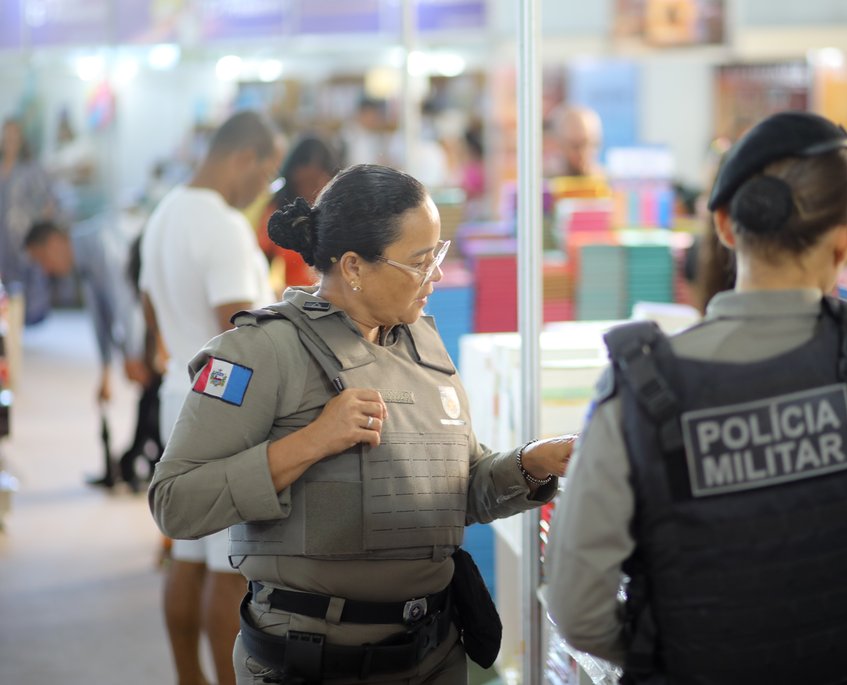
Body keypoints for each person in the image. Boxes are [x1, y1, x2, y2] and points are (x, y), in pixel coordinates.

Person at [545, 111, 847, 685]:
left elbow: (578, 610)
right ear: (846, 237)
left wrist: (683, 654)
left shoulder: (635, 391)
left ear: (725, 227)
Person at [148, 163, 573, 685]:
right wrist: (311, 442)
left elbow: (456, 492)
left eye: (438, 255)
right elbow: (174, 503)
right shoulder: (261, 352)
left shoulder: (424, 347)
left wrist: (531, 463)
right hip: (311, 664)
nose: (437, 275)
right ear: (353, 266)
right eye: (420, 262)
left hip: (434, 652)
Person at [140, 109, 282, 685]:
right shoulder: (222, 224)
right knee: (231, 567)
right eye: (266, 174)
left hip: (180, 391)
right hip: (223, 407)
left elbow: (149, 305)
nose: (263, 189)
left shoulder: (165, 213)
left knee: (186, 555)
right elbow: (238, 332)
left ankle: (188, 677)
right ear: (244, 157)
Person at [23, 217, 147, 486]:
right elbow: (101, 315)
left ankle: (142, 461)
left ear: (55, 243)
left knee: (152, 388)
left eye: (42, 259)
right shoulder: (84, 263)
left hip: (157, 315)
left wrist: (133, 355)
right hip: (143, 321)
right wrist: (105, 371)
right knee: (148, 392)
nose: (46, 270)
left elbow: (125, 301)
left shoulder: (101, 243)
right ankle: (131, 462)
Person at [257, 135, 339, 293]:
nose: (313, 193)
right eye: (307, 183)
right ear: (291, 175)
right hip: (292, 301)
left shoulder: (342, 216)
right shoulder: (277, 214)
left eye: (318, 183)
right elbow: (258, 263)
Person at [0, 117, 59, 326]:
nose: (10, 139)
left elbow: (49, 200)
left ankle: (23, 323)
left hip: (22, 234)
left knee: (24, 281)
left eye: (15, 134)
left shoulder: (30, 168)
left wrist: (39, 228)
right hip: (1, 237)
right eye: (7, 134)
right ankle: (6, 326)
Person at [547, 104, 604, 178]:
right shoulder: (547, 183)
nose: (583, 152)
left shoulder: (609, 182)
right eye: (576, 146)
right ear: (560, 145)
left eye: (591, 144)